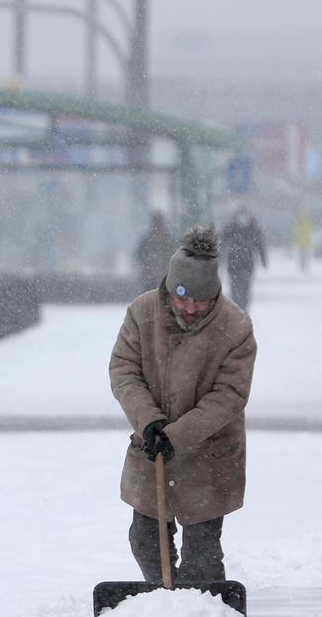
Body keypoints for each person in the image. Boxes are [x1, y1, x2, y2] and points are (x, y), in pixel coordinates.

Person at [109, 226, 257, 583]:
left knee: (202, 554)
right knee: (145, 540)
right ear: (168, 288)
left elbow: (229, 396)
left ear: (215, 294)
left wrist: (177, 435)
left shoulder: (235, 327)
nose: (191, 307)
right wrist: (149, 422)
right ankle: (165, 605)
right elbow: (123, 370)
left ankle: (204, 615)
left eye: (200, 301)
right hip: (152, 446)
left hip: (210, 455)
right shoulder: (141, 313)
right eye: (182, 297)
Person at [220, 207, 268, 312]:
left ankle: (243, 309)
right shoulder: (232, 227)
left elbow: (260, 245)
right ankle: (237, 309)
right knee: (234, 288)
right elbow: (222, 242)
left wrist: (264, 259)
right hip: (234, 263)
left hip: (247, 264)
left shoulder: (253, 228)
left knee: (245, 288)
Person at [135, 210, 176, 294]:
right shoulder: (147, 239)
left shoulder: (167, 238)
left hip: (162, 275)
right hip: (152, 276)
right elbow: (139, 255)